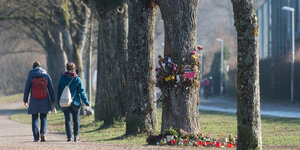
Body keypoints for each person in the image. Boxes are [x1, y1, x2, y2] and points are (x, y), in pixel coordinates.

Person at [57, 62, 90, 142]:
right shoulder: (77, 79)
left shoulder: (62, 78)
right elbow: (82, 91)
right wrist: (86, 102)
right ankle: (76, 136)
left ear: (67, 69)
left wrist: (59, 103)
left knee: (67, 120)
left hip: (65, 102)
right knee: (76, 120)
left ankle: (69, 137)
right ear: (74, 69)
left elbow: (59, 91)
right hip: (76, 102)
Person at [23, 61, 55, 142]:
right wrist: (53, 100)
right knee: (43, 117)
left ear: (33, 67)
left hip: (34, 100)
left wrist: (25, 100)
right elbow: (51, 88)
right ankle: (43, 133)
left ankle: (36, 137)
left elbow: (26, 89)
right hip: (45, 100)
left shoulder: (30, 76)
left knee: (34, 118)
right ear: (40, 66)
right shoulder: (46, 75)